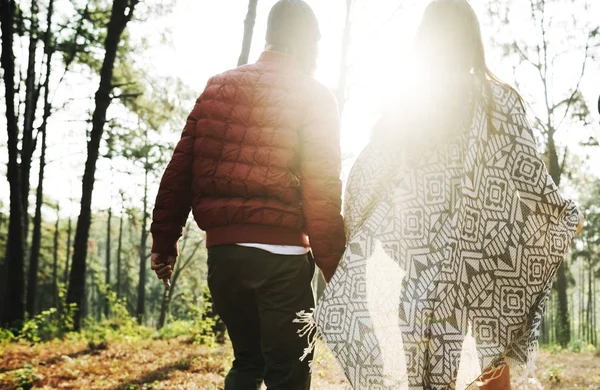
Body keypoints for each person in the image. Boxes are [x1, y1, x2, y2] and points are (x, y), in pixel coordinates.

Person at [308, 1, 584, 389]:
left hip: (420, 290)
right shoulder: (498, 103)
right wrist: (569, 216)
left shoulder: (404, 111)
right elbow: (536, 189)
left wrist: (387, 244)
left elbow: (364, 183)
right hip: (484, 286)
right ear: (473, 40)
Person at [149, 1, 346, 389]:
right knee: (288, 372)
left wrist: (164, 242)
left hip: (225, 258)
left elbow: (180, 167)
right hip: (281, 261)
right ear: (310, 42)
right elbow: (321, 188)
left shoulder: (219, 85)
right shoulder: (314, 94)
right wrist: (333, 266)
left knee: (247, 362)